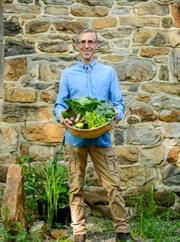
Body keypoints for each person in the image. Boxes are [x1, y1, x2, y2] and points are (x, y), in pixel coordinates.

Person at [54, 29, 135, 242]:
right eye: (83, 42)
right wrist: (63, 117)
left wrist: (114, 116)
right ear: (77, 46)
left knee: (113, 186)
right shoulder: (68, 74)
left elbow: (118, 103)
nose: (87, 45)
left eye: (91, 42)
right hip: (75, 139)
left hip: (102, 139)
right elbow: (60, 104)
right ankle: (79, 233)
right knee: (75, 187)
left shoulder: (108, 73)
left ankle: (122, 232)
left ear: (97, 46)